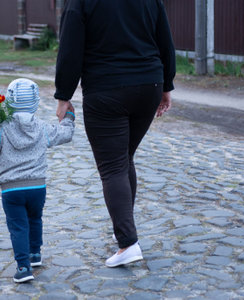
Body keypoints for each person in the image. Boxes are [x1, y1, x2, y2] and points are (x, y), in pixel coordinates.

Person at [54, 0, 176, 267]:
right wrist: (166, 84)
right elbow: (165, 39)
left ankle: (128, 243)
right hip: (148, 84)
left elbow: (70, 47)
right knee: (123, 159)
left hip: (106, 89)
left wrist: (64, 95)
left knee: (113, 167)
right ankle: (125, 228)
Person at [0, 78, 75, 282]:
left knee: (18, 226)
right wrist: (69, 117)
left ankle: (23, 267)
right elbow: (65, 134)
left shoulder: (2, 129)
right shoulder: (42, 127)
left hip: (11, 190)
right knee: (35, 219)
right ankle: (35, 254)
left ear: (8, 103)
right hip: (37, 187)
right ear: (36, 102)